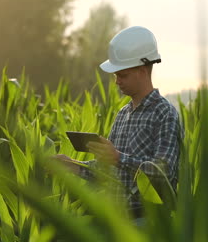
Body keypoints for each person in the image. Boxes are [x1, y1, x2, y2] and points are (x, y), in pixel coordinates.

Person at [55, 26, 181, 222]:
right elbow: (109, 171)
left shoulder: (164, 113)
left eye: (122, 75)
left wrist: (118, 158)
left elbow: (165, 172)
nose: (116, 82)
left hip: (148, 224)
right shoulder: (122, 114)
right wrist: (73, 166)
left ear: (141, 71)